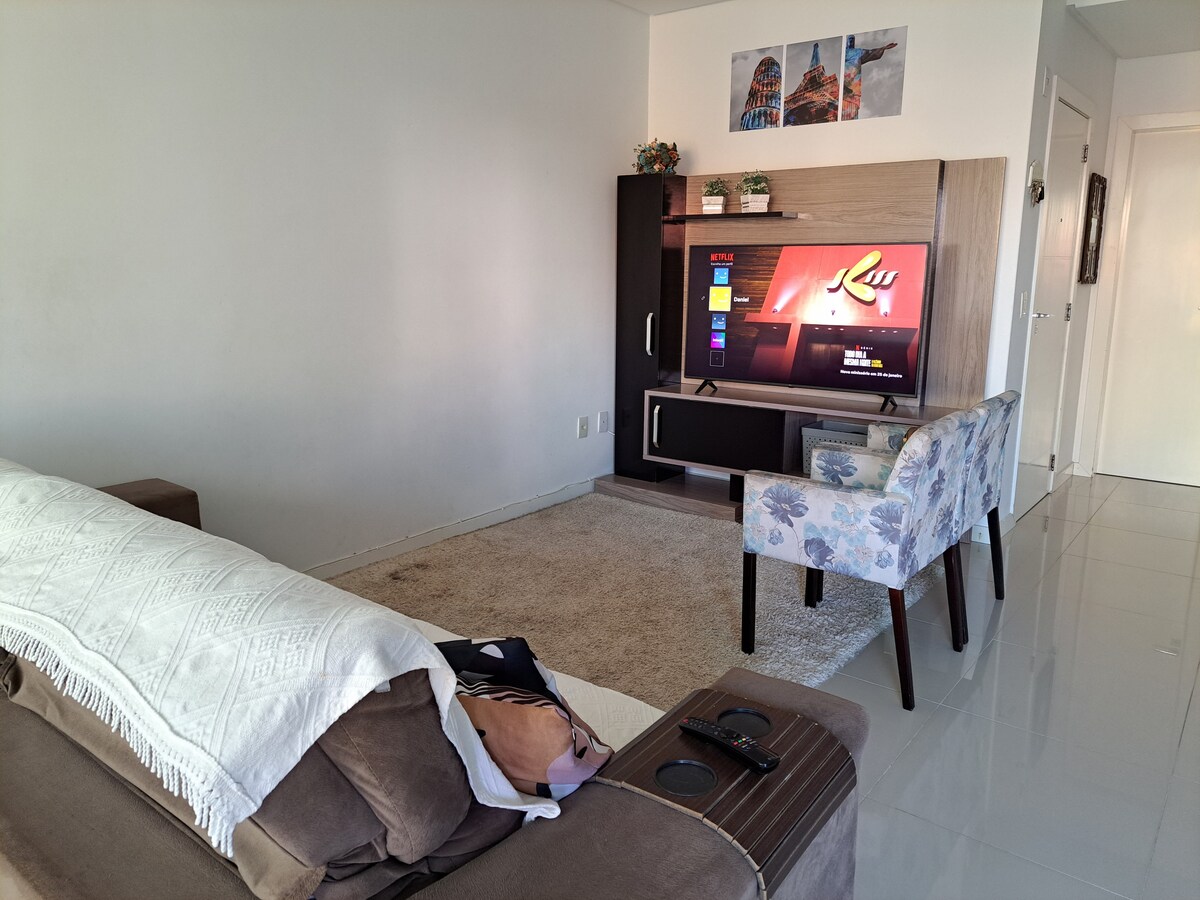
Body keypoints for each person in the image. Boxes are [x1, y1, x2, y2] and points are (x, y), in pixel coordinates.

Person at [842, 35, 897, 120]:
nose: (851, 42)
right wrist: (883, 48)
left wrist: (883, 48)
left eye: (852, 40)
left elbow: (871, 53)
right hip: (846, 88)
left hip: (852, 89)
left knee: (850, 111)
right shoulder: (848, 53)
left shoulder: (856, 52)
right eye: (850, 40)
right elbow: (871, 53)